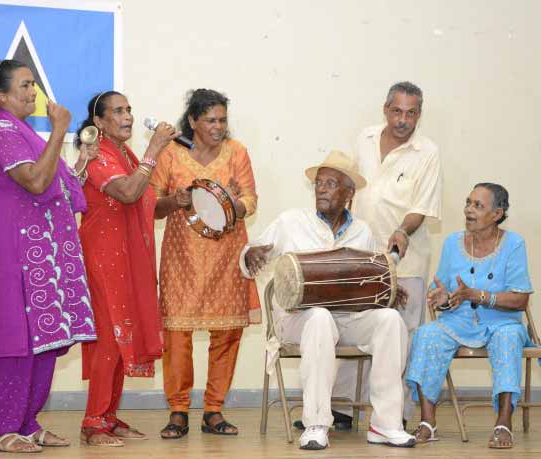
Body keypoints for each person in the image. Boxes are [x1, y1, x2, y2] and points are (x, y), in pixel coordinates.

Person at [240, 151, 415, 450]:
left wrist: (387, 288)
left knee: (390, 320)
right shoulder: (291, 221)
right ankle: (316, 424)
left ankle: (386, 424)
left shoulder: (362, 231)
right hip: (297, 318)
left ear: (349, 193)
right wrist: (249, 255)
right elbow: (251, 254)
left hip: (346, 318)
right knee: (319, 316)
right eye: (319, 183)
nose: (321, 189)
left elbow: (368, 279)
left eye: (331, 184)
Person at [0, 59, 97, 453]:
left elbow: (56, 183)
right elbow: (37, 182)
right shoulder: (1, 133)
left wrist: (81, 161)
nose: (32, 92)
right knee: (17, 339)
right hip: (14, 250)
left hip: (41, 252)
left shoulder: (23, 133)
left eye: (33, 84)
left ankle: (27, 422)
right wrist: (59, 130)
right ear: (0, 95)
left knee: (44, 338)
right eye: (24, 85)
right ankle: (2, 430)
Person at [150, 88, 260, 439]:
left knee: (227, 334)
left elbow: (250, 199)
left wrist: (230, 203)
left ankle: (214, 410)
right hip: (181, 257)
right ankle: (178, 411)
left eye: (222, 120)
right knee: (177, 335)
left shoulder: (236, 151)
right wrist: (176, 200)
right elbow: (152, 206)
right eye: (210, 120)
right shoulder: (171, 152)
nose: (218, 127)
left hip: (227, 256)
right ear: (192, 121)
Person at [335, 81, 443, 422]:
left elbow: (421, 207)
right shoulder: (365, 138)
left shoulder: (427, 152)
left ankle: (396, 413)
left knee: (400, 338)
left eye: (411, 113)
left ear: (419, 115)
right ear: (385, 109)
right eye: (396, 111)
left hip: (404, 259)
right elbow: (350, 188)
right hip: (361, 256)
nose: (402, 120)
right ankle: (341, 409)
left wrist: (402, 230)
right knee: (354, 327)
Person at [76, 91, 178, 446]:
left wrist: (176, 201)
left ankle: (108, 416)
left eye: (129, 110)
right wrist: (155, 148)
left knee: (123, 339)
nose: (128, 116)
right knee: (109, 338)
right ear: (99, 122)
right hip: (104, 258)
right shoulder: (97, 155)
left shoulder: (125, 154)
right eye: (118, 111)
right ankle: (93, 422)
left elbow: (146, 204)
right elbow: (128, 193)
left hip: (128, 258)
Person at [406, 183, 534, 449]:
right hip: (458, 321)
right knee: (426, 335)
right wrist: (442, 299)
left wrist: (481, 296)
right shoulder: (452, 243)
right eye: (468, 203)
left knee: (509, 338)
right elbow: (441, 290)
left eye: (478, 205)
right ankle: (428, 421)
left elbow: (520, 299)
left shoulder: (513, 244)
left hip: (501, 322)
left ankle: (503, 423)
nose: (468, 210)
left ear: (497, 213)